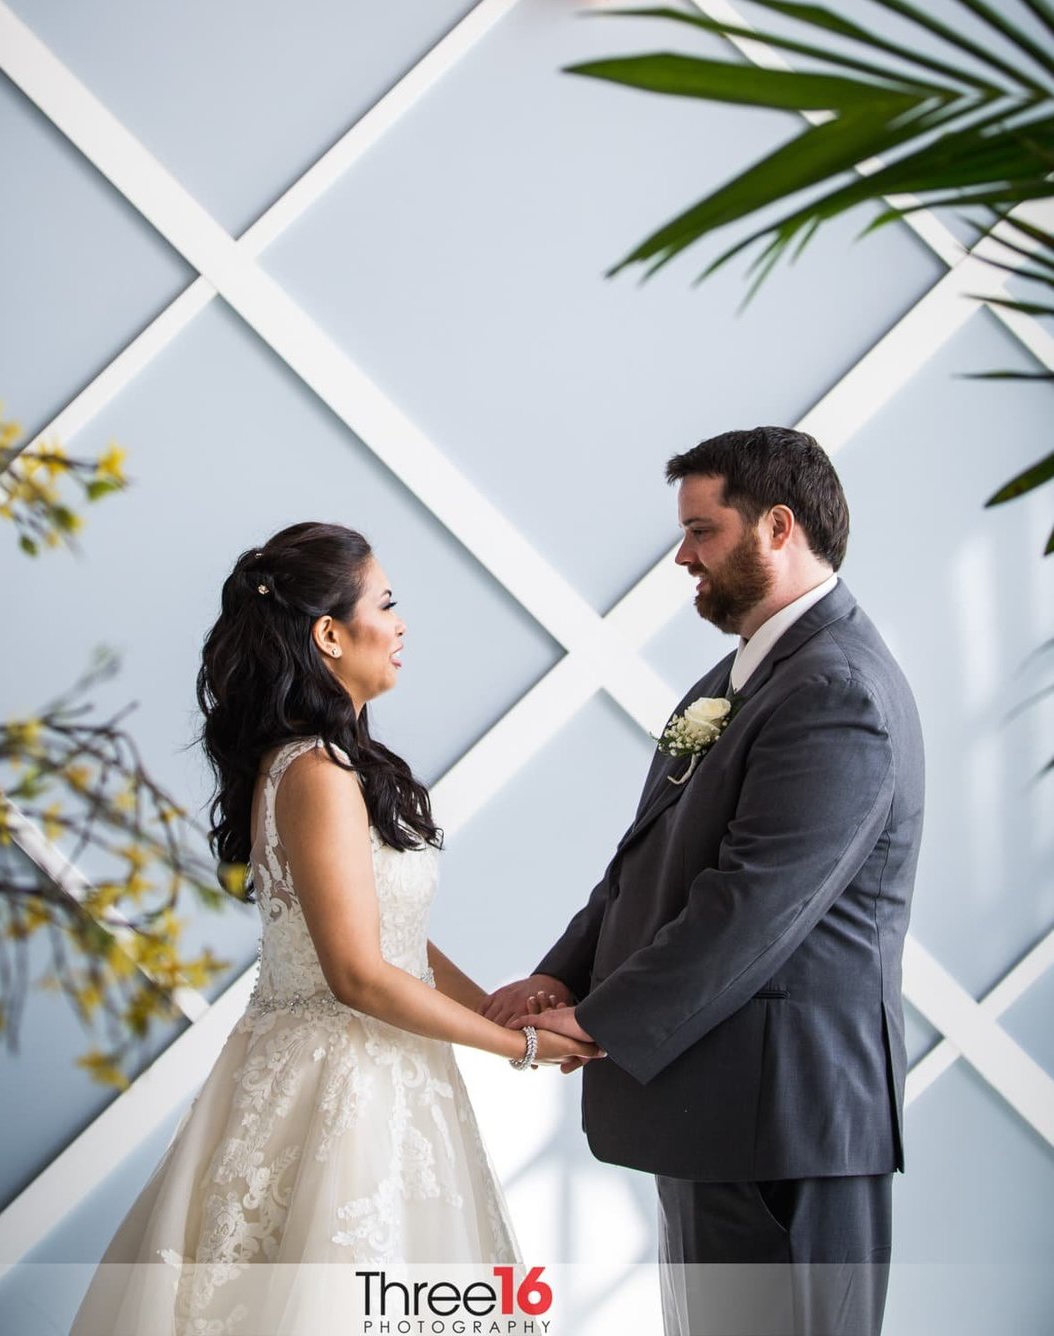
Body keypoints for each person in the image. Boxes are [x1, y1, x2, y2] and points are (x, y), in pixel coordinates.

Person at [69, 520, 595, 1336]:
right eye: (385, 603)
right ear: (329, 634)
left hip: (395, 1079)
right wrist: (520, 1049)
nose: (401, 622)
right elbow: (356, 974)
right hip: (334, 1090)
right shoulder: (311, 773)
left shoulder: (340, 764)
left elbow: (396, 940)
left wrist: (492, 1005)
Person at [483, 428, 925, 1336]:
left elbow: (753, 902)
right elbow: (646, 858)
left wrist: (601, 1020)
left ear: (776, 526)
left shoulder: (837, 690)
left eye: (701, 531)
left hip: (785, 1120)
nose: (682, 556)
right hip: (718, 1105)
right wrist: (563, 974)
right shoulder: (739, 680)